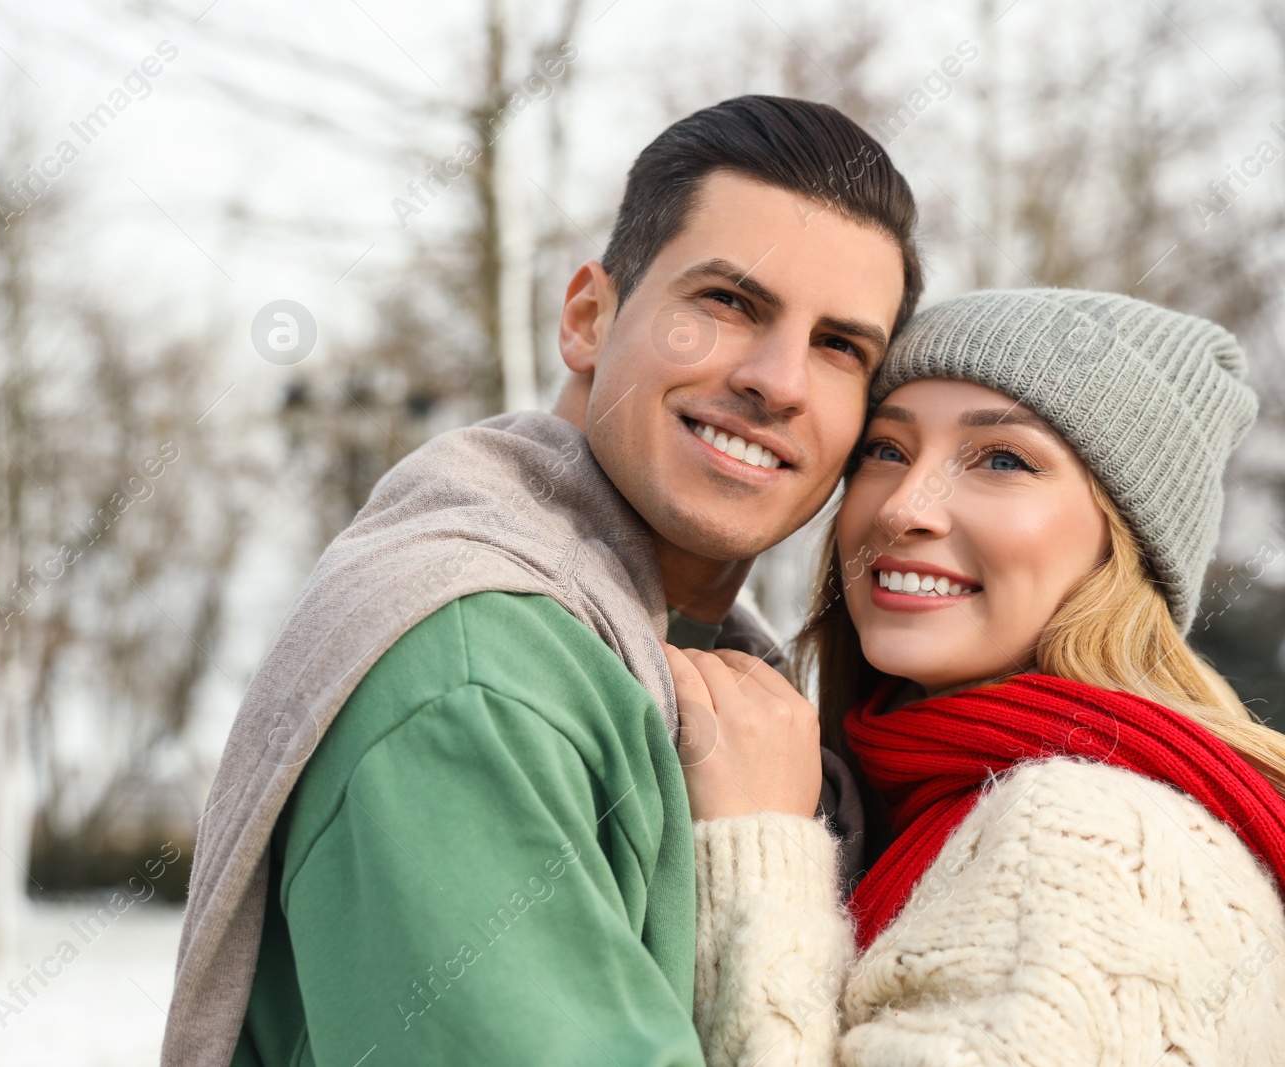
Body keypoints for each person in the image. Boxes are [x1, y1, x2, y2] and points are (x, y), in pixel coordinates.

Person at [161, 95, 921, 1066]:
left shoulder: (719, 673)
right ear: (587, 318)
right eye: (728, 302)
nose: (777, 380)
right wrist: (763, 854)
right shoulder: (476, 670)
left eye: (838, 346)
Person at [670, 288, 1285, 1064]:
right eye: (885, 449)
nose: (902, 507)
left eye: (1002, 459)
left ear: (1123, 545)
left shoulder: (1093, 842)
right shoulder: (914, 800)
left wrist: (758, 855)